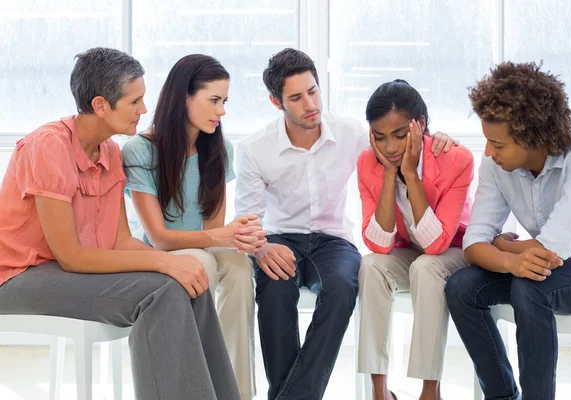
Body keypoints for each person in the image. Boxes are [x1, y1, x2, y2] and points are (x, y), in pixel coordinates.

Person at [0, 47, 239, 400]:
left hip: (64, 273)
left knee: (191, 280)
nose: (144, 109)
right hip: (18, 276)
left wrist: (177, 265)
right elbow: (71, 257)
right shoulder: (48, 146)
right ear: (100, 105)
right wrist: (164, 261)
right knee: (161, 289)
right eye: (134, 101)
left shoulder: (110, 151)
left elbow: (120, 241)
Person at [235, 48, 457, 400]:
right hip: (279, 239)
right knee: (274, 288)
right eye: (296, 97)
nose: (310, 104)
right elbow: (247, 220)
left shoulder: (352, 134)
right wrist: (261, 247)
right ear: (276, 102)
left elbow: (395, 137)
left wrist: (436, 136)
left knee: (341, 287)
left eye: (313, 91)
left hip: (333, 241)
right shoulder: (253, 149)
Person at [445, 61, 571, 400]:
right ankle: (501, 396)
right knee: (461, 287)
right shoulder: (496, 165)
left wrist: (505, 248)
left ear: (533, 135)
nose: (489, 151)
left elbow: (550, 252)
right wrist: (511, 259)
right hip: (541, 269)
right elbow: (474, 244)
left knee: (531, 288)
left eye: (498, 144)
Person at [122, 54, 263, 400]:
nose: (222, 111)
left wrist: (240, 235)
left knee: (240, 266)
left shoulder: (219, 149)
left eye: (224, 101)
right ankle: (198, 387)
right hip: (161, 255)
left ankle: (236, 391)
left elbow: (215, 230)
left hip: (202, 250)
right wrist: (220, 236)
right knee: (204, 261)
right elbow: (157, 237)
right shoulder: (140, 151)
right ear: (183, 96)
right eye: (213, 100)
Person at [357, 79, 474, 400]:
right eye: (380, 137)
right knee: (371, 266)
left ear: (420, 124)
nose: (391, 147)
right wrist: (389, 175)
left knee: (426, 266)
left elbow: (437, 244)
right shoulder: (368, 162)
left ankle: (429, 390)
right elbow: (379, 244)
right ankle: (379, 391)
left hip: (455, 250)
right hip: (410, 250)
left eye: (399, 135)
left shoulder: (456, 159)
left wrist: (410, 174)